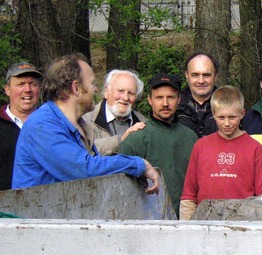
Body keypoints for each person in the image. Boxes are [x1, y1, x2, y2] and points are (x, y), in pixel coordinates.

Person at [12, 53, 159, 193]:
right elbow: (83, 169)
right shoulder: (42, 125)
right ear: (76, 88)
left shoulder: (76, 125)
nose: (96, 89)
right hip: (36, 218)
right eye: (93, 83)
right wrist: (138, 164)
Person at [180, 85, 262, 220]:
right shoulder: (201, 146)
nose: (227, 123)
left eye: (232, 117)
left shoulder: (255, 149)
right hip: (205, 224)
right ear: (213, 114)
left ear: (242, 114)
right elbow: (189, 195)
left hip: (242, 224)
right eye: (221, 117)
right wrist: (187, 228)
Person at [119, 73, 198, 217]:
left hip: (187, 220)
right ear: (150, 100)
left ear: (179, 99)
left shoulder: (191, 138)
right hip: (148, 222)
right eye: (159, 98)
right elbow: (120, 191)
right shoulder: (136, 139)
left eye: (171, 97)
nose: (165, 103)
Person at [82, 69, 147, 155]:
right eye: (120, 91)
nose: (125, 98)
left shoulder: (143, 122)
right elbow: (83, 152)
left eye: (131, 93)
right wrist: (121, 140)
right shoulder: (86, 120)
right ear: (106, 92)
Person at [0, 62, 42, 190]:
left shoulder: (50, 124)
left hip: (48, 201)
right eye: (21, 84)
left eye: (32, 84)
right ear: (7, 89)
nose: (27, 89)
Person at [176, 52, 219, 138]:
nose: (201, 81)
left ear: (215, 76)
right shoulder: (173, 107)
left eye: (206, 75)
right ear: (187, 75)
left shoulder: (230, 106)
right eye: (195, 75)